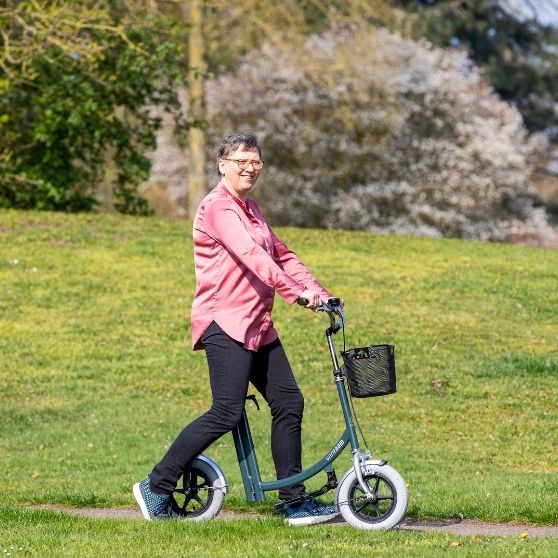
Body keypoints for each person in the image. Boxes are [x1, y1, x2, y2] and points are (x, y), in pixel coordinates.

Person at [133, 131, 339, 525]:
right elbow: (250, 255)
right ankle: (156, 486)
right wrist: (294, 294)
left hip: (257, 325)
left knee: (289, 403)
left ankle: (294, 502)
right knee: (226, 412)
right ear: (223, 165)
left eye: (255, 162)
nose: (249, 168)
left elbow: (281, 255)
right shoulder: (218, 208)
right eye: (241, 161)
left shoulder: (252, 209)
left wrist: (322, 293)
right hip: (224, 322)